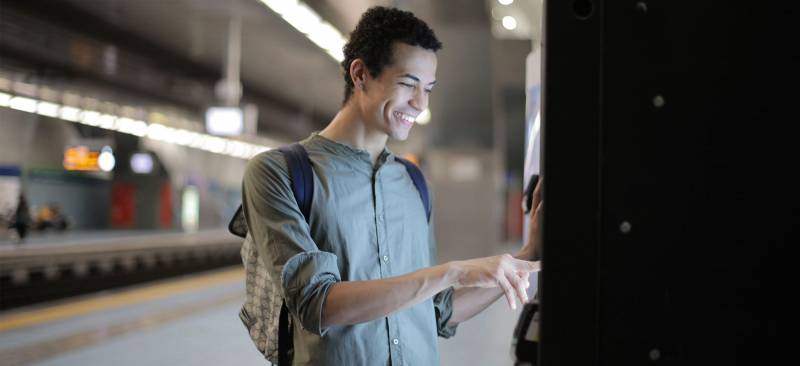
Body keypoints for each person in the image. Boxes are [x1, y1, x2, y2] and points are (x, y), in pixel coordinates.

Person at [241, 6, 541, 365]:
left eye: (428, 89)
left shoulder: (413, 182)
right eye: (408, 84)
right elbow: (316, 304)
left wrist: (525, 256)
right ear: (361, 73)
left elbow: (435, 313)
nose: (420, 103)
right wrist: (452, 272)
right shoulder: (281, 173)